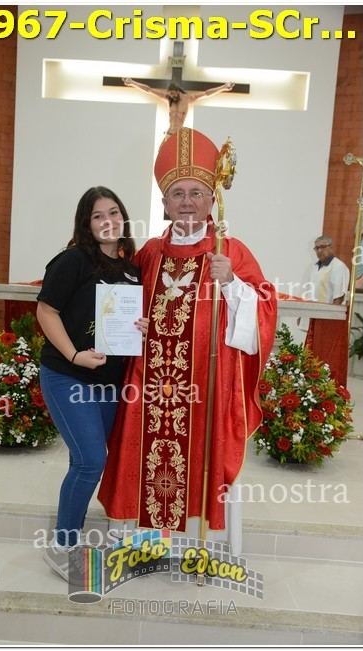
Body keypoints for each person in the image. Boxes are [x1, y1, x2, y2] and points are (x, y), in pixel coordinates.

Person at [98, 127, 277, 536]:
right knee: (140, 452)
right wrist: (130, 323)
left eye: (196, 192)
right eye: (177, 194)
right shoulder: (149, 253)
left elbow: (265, 309)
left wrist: (231, 283)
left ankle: (196, 539)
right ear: (164, 203)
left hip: (205, 387)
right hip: (147, 383)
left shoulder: (230, 251)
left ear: (212, 199)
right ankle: (139, 539)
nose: (187, 202)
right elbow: (118, 302)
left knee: (198, 456)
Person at [36, 186, 148, 581]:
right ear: (86, 223)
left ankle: (75, 536)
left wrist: (140, 326)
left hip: (109, 382)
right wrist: (73, 354)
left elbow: (125, 321)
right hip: (67, 374)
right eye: (98, 215)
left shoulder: (131, 268)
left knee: (85, 461)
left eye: (114, 212)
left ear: (123, 217)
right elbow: (46, 311)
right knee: (90, 460)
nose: (108, 221)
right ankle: (63, 545)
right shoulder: (73, 260)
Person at [123, 78, 235, 142]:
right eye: (170, 94)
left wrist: (223, 87)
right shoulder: (168, 98)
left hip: (179, 135)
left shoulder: (188, 98)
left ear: (177, 91)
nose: (171, 96)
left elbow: (206, 93)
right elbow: (148, 89)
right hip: (169, 134)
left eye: (173, 93)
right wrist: (132, 83)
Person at [298, 236, 350, 332]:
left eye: (322, 247)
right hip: (310, 315)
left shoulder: (338, 267)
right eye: (316, 248)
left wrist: (331, 320)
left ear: (331, 247)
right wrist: (301, 314)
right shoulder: (313, 267)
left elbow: (338, 297)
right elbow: (307, 291)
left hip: (325, 319)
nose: (319, 251)